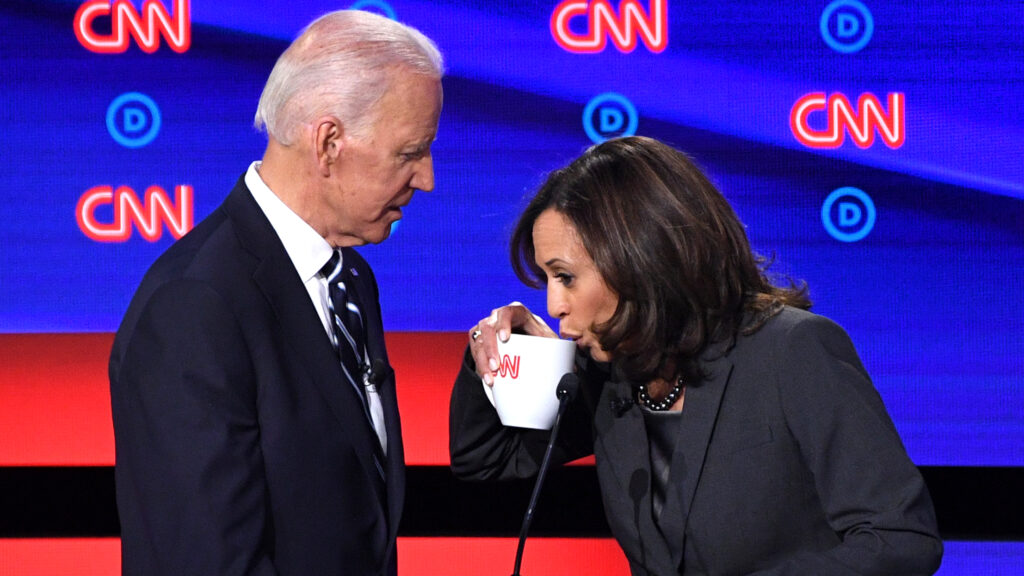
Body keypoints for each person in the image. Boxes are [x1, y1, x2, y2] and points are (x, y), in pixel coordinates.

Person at [449, 136, 942, 575]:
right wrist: (490, 356)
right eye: (548, 280)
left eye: (567, 277)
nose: (554, 304)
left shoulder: (792, 350)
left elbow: (900, 539)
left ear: (640, 258)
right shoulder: (612, 377)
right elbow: (487, 459)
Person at [109, 10, 443, 575]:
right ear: (329, 142)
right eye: (410, 153)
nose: (428, 178)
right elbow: (208, 562)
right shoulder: (195, 305)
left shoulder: (351, 280)